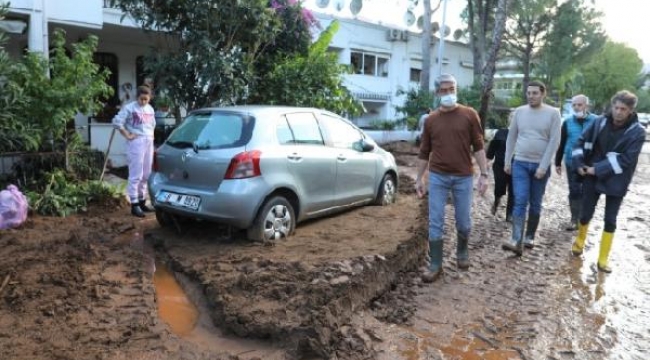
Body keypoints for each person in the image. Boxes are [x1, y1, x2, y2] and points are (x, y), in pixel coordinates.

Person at [415, 73, 489, 283]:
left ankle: (462, 252)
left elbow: (479, 146)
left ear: (456, 90)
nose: (448, 94)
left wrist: (484, 174)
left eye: (452, 89)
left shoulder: (469, 115)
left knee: (463, 221)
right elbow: (424, 151)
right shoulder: (431, 120)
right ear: (438, 92)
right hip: (437, 176)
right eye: (444, 90)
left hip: (463, 177)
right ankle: (435, 264)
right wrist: (419, 178)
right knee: (435, 221)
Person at [570, 90, 645, 273]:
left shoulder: (638, 132)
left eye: (623, 109)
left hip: (617, 180)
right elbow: (580, 142)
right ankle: (579, 241)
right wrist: (579, 164)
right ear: (612, 106)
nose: (618, 112)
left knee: (610, 219)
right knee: (585, 212)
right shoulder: (599, 122)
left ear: (630, 111)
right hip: (590, 175)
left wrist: (598, 169)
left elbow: (627, 159)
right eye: (616, 107)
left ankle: (603, 259)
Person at [502, 80, 561, 255]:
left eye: (535, 93)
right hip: (519, 162)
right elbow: (511, 137)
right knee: (520, 200)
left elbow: (554, 140)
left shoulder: (553, 113)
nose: (531, 96)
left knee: (535, 203)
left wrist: (543, 166)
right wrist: (507, 161)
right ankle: (516, 239)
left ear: (543, 94)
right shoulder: (519, 112)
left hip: (539, 166)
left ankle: (529, 236)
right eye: (528, 93)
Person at [112, 85, 156, 218]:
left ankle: (142, 201)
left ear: (149, 98)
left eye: (146, 99)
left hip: (149, 141)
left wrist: (151, 137)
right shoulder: (130, 108)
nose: (143, 102)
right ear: (137, 97)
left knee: (146, 174)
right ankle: (134, 204)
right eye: (141, 99)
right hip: (136, 142)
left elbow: (152, 124)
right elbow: (117, 122)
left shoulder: (150, 109)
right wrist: (127, 135)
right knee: (136, 174)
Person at [554, 94, 597, 231]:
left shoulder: (596, 121)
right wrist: (557, 162)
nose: (577, 107)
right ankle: (574, 219)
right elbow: (562, 142)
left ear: (586, 105)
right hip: (571, 161)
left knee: (587, 191)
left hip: (590, 162)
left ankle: (584, 218)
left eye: (580, 104)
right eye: (574, 105)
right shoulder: (567, 122)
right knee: (574, 190)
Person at [486, 123, 513, 222]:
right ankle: (496, 201)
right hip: (499, 165)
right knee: (499, 187)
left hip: (517, 166)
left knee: (514, 190)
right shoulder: (501, 133)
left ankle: (510, 214)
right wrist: (488, 160)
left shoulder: (524, 134)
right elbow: (492, 147)